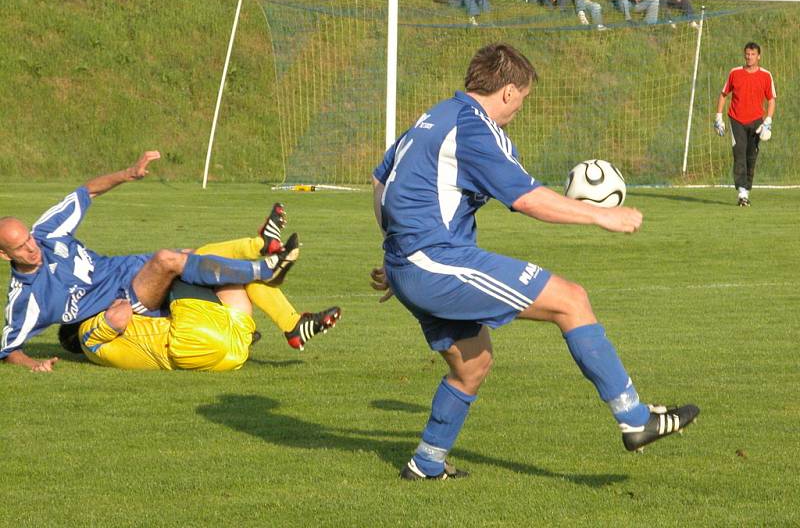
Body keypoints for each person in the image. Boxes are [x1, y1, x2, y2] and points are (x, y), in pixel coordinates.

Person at [371, 43, 699, 480]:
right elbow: (528, 199)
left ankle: (426, 462)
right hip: (433, 259)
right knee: (571, 299)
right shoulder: (473, 128)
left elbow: (381, 179)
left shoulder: (433, 117)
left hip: (417, 263)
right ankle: (635, 418)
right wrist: (603, 216)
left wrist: (397, 254)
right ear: (507, 91)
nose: (519, 109)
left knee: (474, 363)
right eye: (522, 99)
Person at [0, 152, 298, 371]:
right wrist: (32, 364)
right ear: (4, 255)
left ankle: (290, 317)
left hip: (132, 267)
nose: (32, 247)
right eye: (21, 247)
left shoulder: (48, 232)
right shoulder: (26, 297)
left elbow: (87, 190)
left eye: (28, 237)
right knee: (167, 260)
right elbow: (9, 349)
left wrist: (127, 174)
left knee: (204, 256)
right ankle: (265, 266)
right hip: (129, 299)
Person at [57, 240, 342, 371]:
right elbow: (118, 318)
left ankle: (293, 324)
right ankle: (258, 247)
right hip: (188, 340)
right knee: (189, 266)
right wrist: (117, 304)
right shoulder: (87, 335)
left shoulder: (100, 352)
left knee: (234, 275)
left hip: (231, 356)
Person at [714, 42, 776, 207]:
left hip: (757, 121)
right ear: (744, 55)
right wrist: (718, 117)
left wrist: (768, 120)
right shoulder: (735, 73)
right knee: (739, 154)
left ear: (759, 56)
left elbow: (771, 99)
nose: (749, 57)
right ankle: (742, 193)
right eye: (747, 54)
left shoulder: (766, 75)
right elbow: (723, 94)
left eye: (753, 54)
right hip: (737, 120)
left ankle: (746, 191)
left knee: (751, 157)